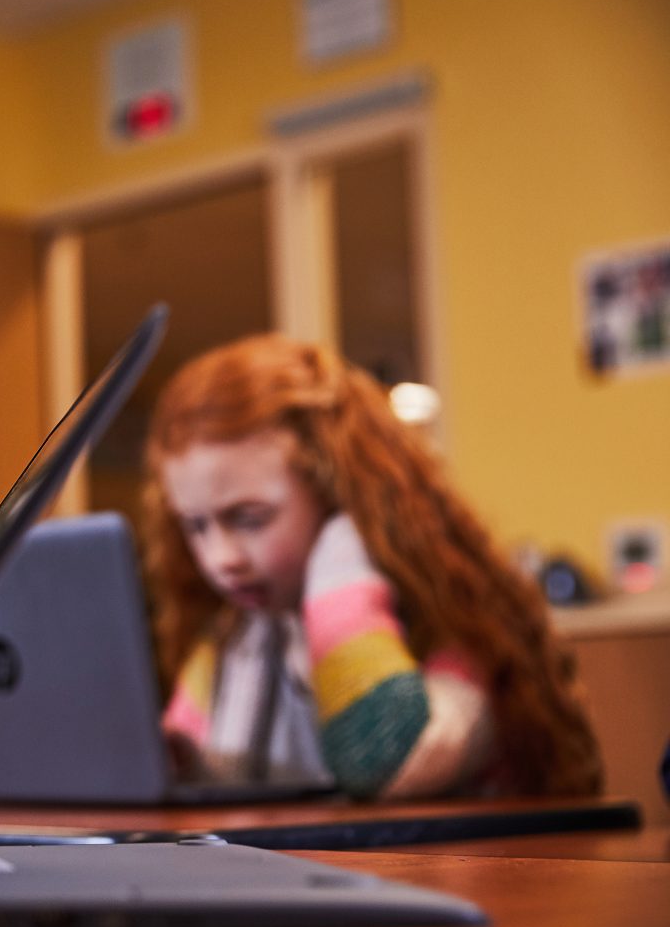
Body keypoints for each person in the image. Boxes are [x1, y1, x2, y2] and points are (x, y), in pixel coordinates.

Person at [140, 334, 602, 800]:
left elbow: (385, 759)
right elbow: (173, 772)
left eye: (250, 518)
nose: (220, 558)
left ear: (336, 495)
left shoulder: (461, 639)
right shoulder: (232, 646)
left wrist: (341, 562)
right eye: (195, 526)